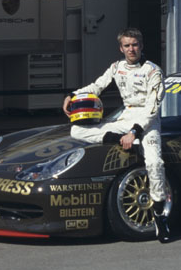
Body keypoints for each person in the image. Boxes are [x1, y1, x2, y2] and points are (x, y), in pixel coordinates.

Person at [62, 28, 170, 242]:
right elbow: (97, 86)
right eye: (127, 45)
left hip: (147, 122)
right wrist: (73, 95)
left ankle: (159, 216)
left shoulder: (153, 71)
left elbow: (153, 107)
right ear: (121, 48)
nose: (132, 49)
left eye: (135, 45)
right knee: (76, 130)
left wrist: (134, 133)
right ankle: (116, 139)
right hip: (124, 116)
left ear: (141, 46)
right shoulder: (116, 67)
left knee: (155, 163)